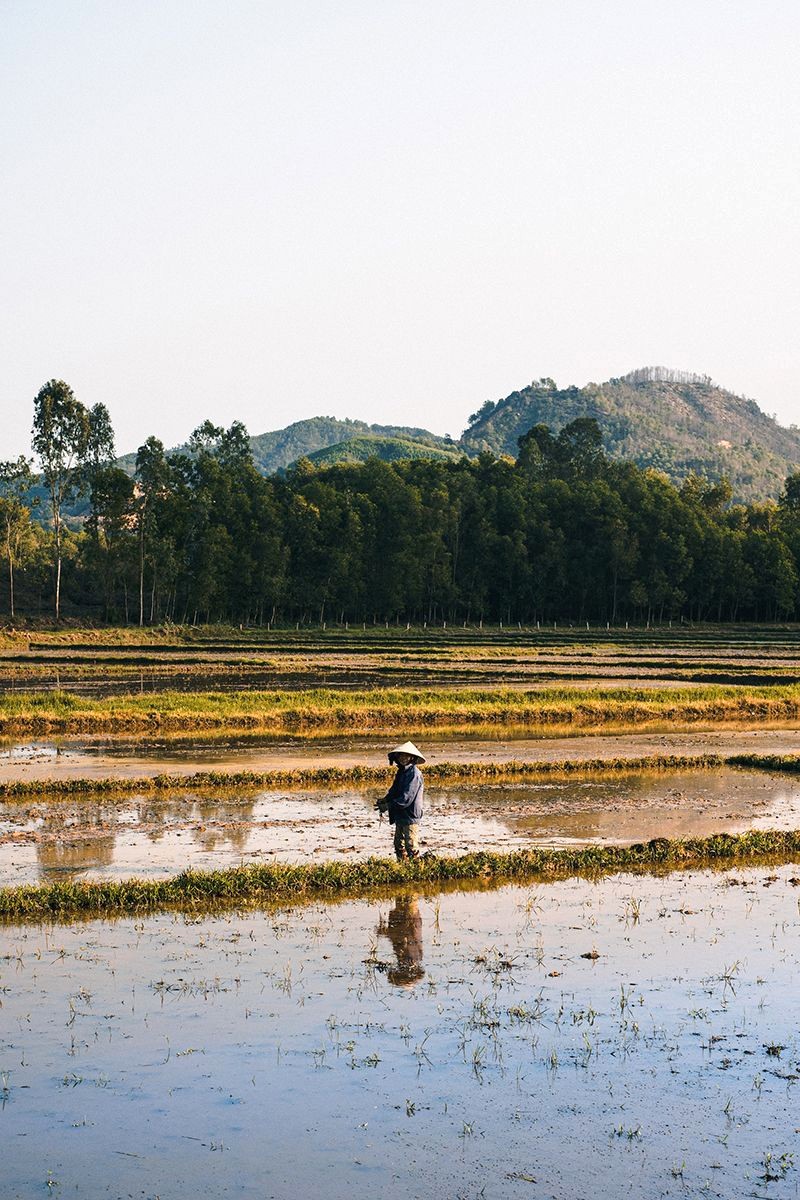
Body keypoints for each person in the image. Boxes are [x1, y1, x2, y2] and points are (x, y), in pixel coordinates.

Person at [376, 740, 425, 861]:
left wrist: (388, 806)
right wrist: (385, 800)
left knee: (410, 844)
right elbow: (394, 791)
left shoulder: (414, 774)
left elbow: (406, 798)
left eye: (406, 755)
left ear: (412, 757)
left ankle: (416, 869)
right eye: (401, 755)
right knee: (398, 843)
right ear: (397, 757)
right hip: (400, 814)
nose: (403, 758)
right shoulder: (401, 772)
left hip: (410, 815)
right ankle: (402, 866)